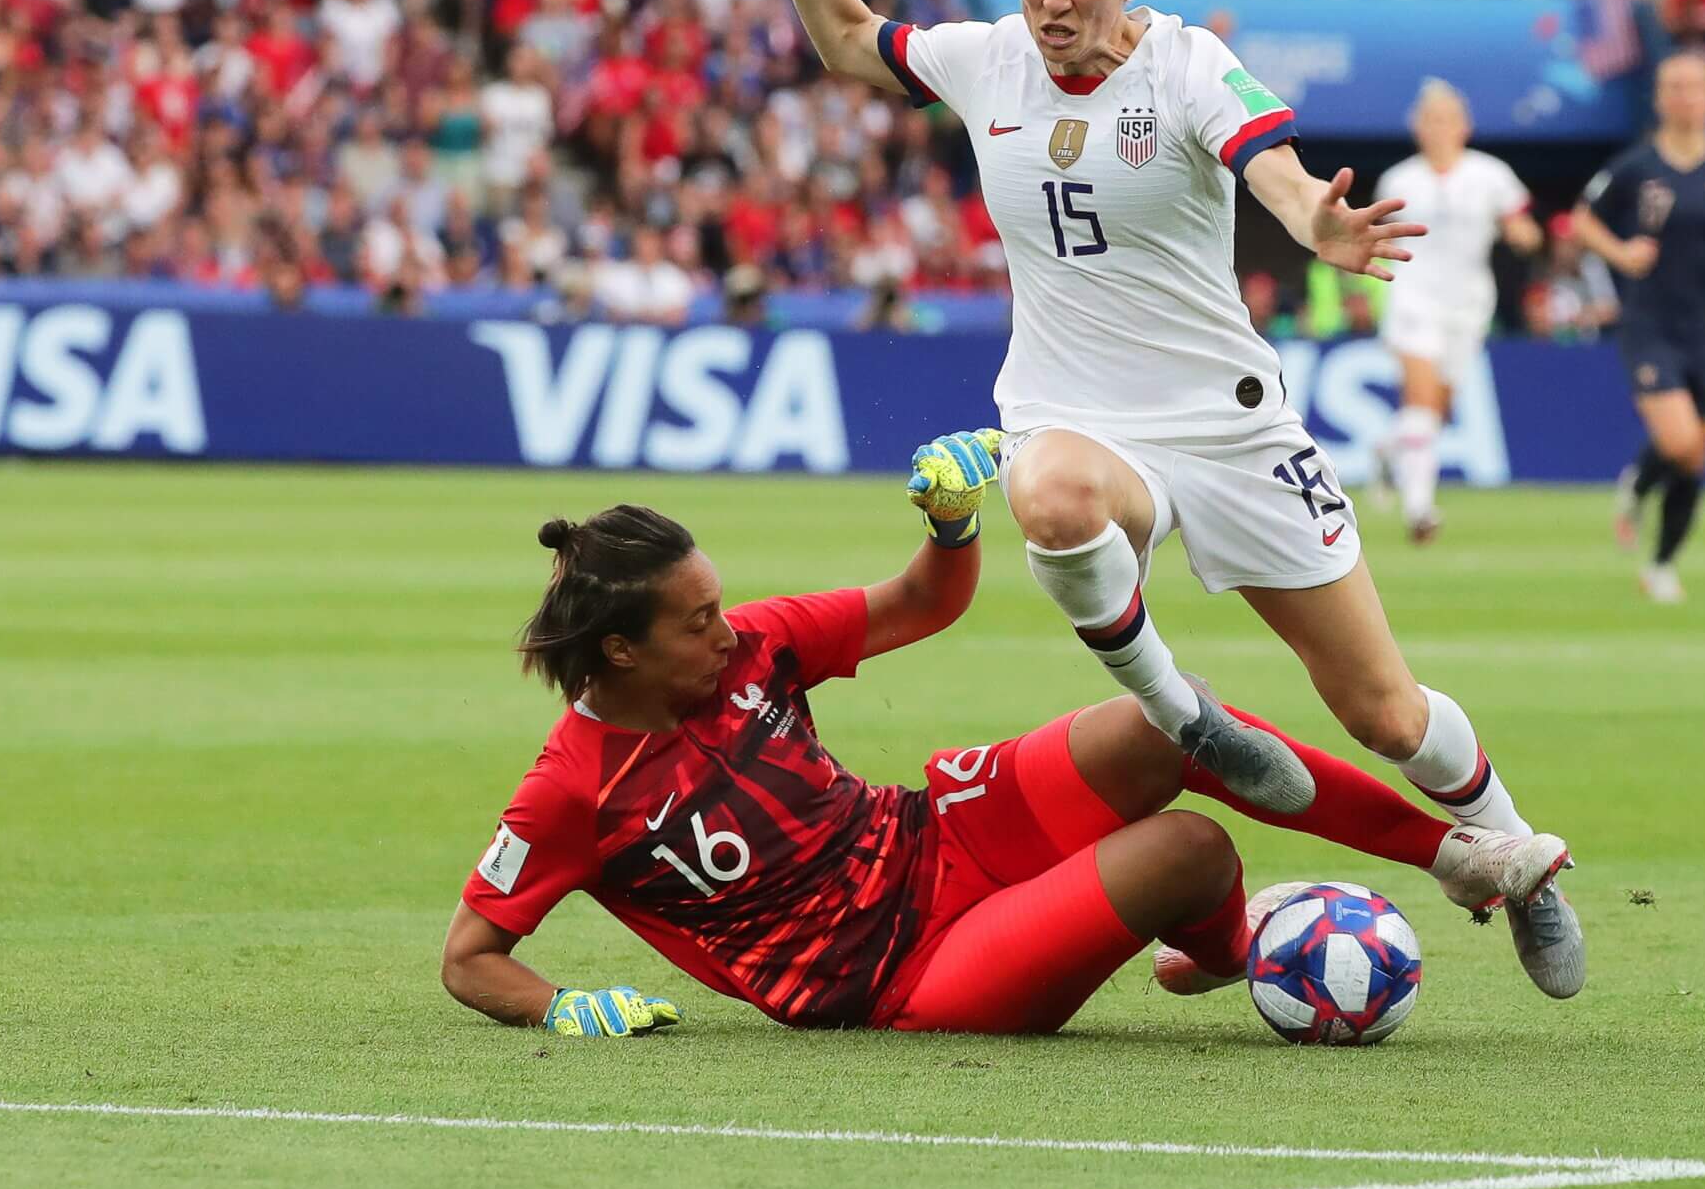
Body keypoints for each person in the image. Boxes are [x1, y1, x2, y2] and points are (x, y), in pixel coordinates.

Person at [762, 0, 1582, 999]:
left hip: (1227, 423)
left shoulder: (1186, 63)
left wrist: (1319, 225)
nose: (1054, 0)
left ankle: (1513, 862)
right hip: (1074, 416)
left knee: (1385, 711)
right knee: (1045, 491)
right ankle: (1178, 706)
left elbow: (1281, 176)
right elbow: (845, 38)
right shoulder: (985, 58)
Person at [443, 434, 1566, 1036]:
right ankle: (1222, 953)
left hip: (934, 835)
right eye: (696, 621)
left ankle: (1457, 852)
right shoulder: (571, 790)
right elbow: (470, 958)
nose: (727, 630)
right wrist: (560, 1005)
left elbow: (923, 603)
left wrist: (949, 521)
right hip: (900, 976)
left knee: (1169, 722)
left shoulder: (758, 644)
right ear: (623, 652)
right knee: (1192, 852)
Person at [1572, 52, 1705, 604]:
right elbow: (1582, 220)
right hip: (1650, 322)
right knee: (1679, 439)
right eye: (1675, 87)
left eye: (1696, 87)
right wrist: (1621, 254)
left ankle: (1662, 561)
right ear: (1660, 98)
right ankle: (1639, 484)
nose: (1686, 96)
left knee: (1696, 457)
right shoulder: (1636, 168)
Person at [1370, 79, 1541, 542]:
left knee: (1436, 409)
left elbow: (1522, 224)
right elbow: (1380, 239)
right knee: (1422, 397)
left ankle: (1388, 451)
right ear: (1417, 128)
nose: (1439, 129)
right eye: (1431, 121)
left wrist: (1523, 235)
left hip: (1468, 305)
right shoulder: (1399, 180)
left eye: (1447, 120)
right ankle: (1419, 510)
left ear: (1464, 126)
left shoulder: (1492, 175)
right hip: (1413, 298)